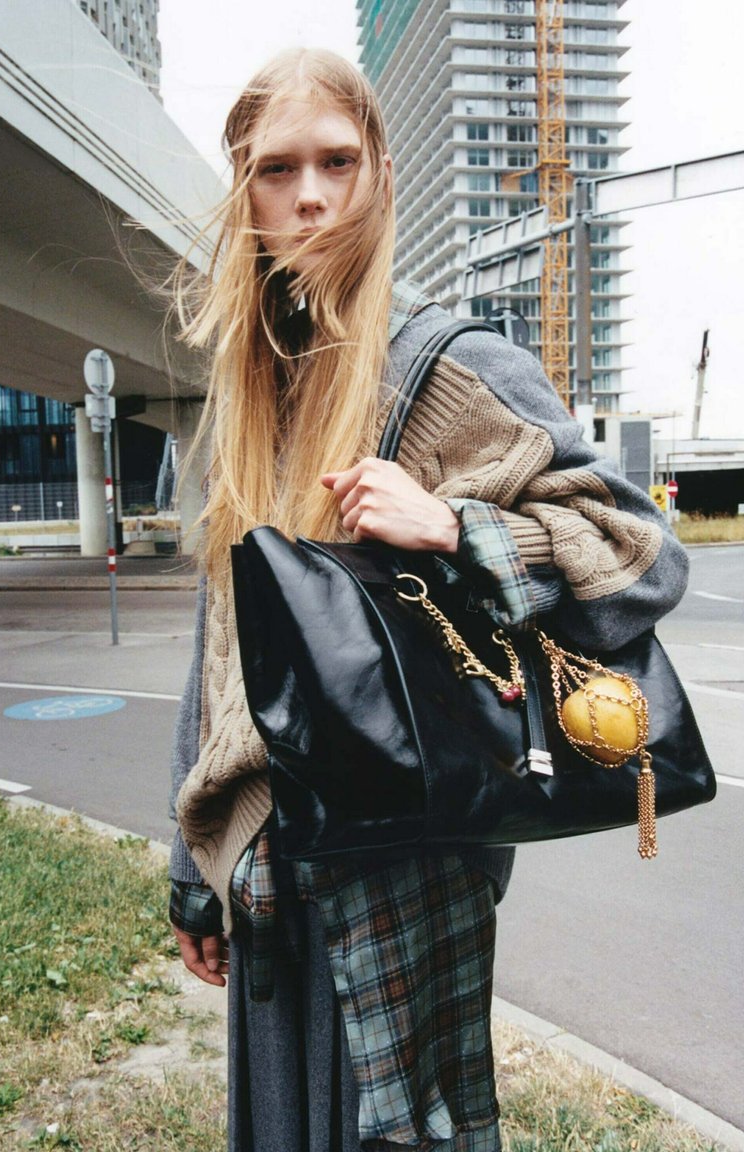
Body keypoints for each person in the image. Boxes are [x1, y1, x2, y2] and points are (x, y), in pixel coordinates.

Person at [167, 48, 688, 1152]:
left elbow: (639, 554)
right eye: (275, 170)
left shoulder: (449, 366)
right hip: (268, 868)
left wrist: (456, 527)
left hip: (406, 863)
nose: (310, 196)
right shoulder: (252, 390)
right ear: (242, 195)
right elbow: (222, 647)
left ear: (381, 176)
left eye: (337, 162)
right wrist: (192, 871)